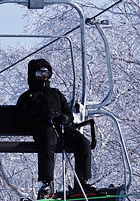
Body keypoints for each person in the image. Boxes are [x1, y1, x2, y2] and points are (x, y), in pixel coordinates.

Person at [16, 58, 95, 198]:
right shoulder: (27, 97)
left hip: (61, 126)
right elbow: (21, 119)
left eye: (46, 74)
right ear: (32, 75)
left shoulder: (56, 93)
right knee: (48, 142)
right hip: (42, 128)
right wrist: (40, 118)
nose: (43, 77)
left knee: (82, 142)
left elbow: (68, 113)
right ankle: (47, 183)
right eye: (39, 74)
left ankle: (82, 182)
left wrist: (65, 118)